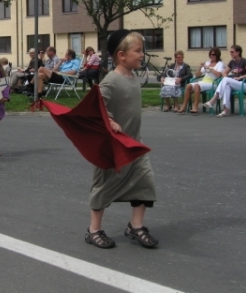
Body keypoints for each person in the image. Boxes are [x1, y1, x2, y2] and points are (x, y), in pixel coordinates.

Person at [85, 29, 158, 249]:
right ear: (121, 55)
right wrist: (109, 118)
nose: (142, 55)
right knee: (104, 186)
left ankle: (135, 226)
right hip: (113, 147)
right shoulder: (111, 81)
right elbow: (95, 107)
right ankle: (93, 230)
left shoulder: (133, 77)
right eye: (138, 51)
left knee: (145, 184)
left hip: (134, 144)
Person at [203, 45, 246, 117]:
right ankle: (226, 110)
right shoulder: (231, 62)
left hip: (243, 84)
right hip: (234, 83)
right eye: (230, 52)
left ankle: (214, 99)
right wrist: (225, 77)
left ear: (238, 52)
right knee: (226, 85)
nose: (230, 53)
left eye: (232, 52)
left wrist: (241, 77)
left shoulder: (244, 61)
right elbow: (224, 73)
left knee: (226, 80)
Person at [176, 48, 224, 114]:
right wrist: (200, 67)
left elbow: (219, 75)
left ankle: (195, 107)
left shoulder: (220, 64)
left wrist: (210, 69)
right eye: (210, 54)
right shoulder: (207, 63)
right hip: (204, 81)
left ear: (217, 55)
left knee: (196, 86)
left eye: (213, 54)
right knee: (188, 86)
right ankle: (184, 106)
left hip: (213, 83)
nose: (211, 56)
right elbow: (197, 75)